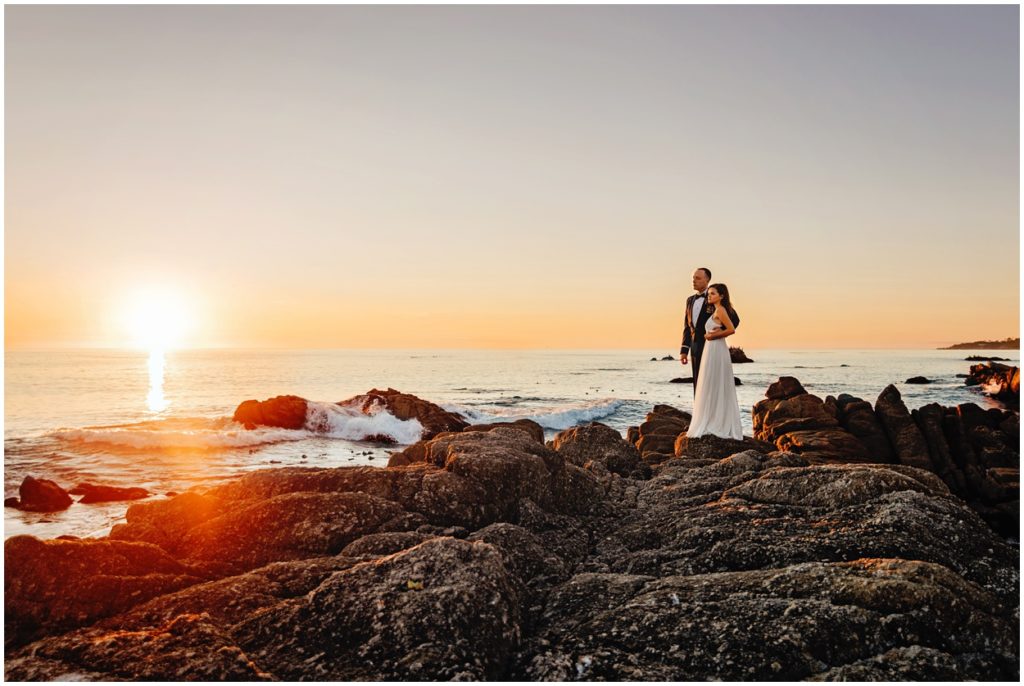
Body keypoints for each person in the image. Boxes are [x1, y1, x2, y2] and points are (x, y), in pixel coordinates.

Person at [686, 283, 743, 440]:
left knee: (714, 382)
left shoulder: (721, 310)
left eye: (712, 293)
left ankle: (717, 422)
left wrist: (713, 336)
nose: (709, 296)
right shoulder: (715, 311)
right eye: (709, 293)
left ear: (722, 296)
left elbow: (731, 329)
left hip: (717, 349)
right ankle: (711, 418)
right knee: (710, 382)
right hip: (711, 349)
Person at [680, 268, 740, 391]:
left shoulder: (714, 297)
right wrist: (684, 350)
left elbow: (735, 320)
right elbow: (687, 326)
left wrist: (719, 332)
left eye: (698, 278)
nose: (694, 281)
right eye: (693, 278)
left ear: (707, 280)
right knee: (698, 381)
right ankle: (699, 409)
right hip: (695, 346)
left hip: (711, 346)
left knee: (711, 382)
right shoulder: (690, 300)